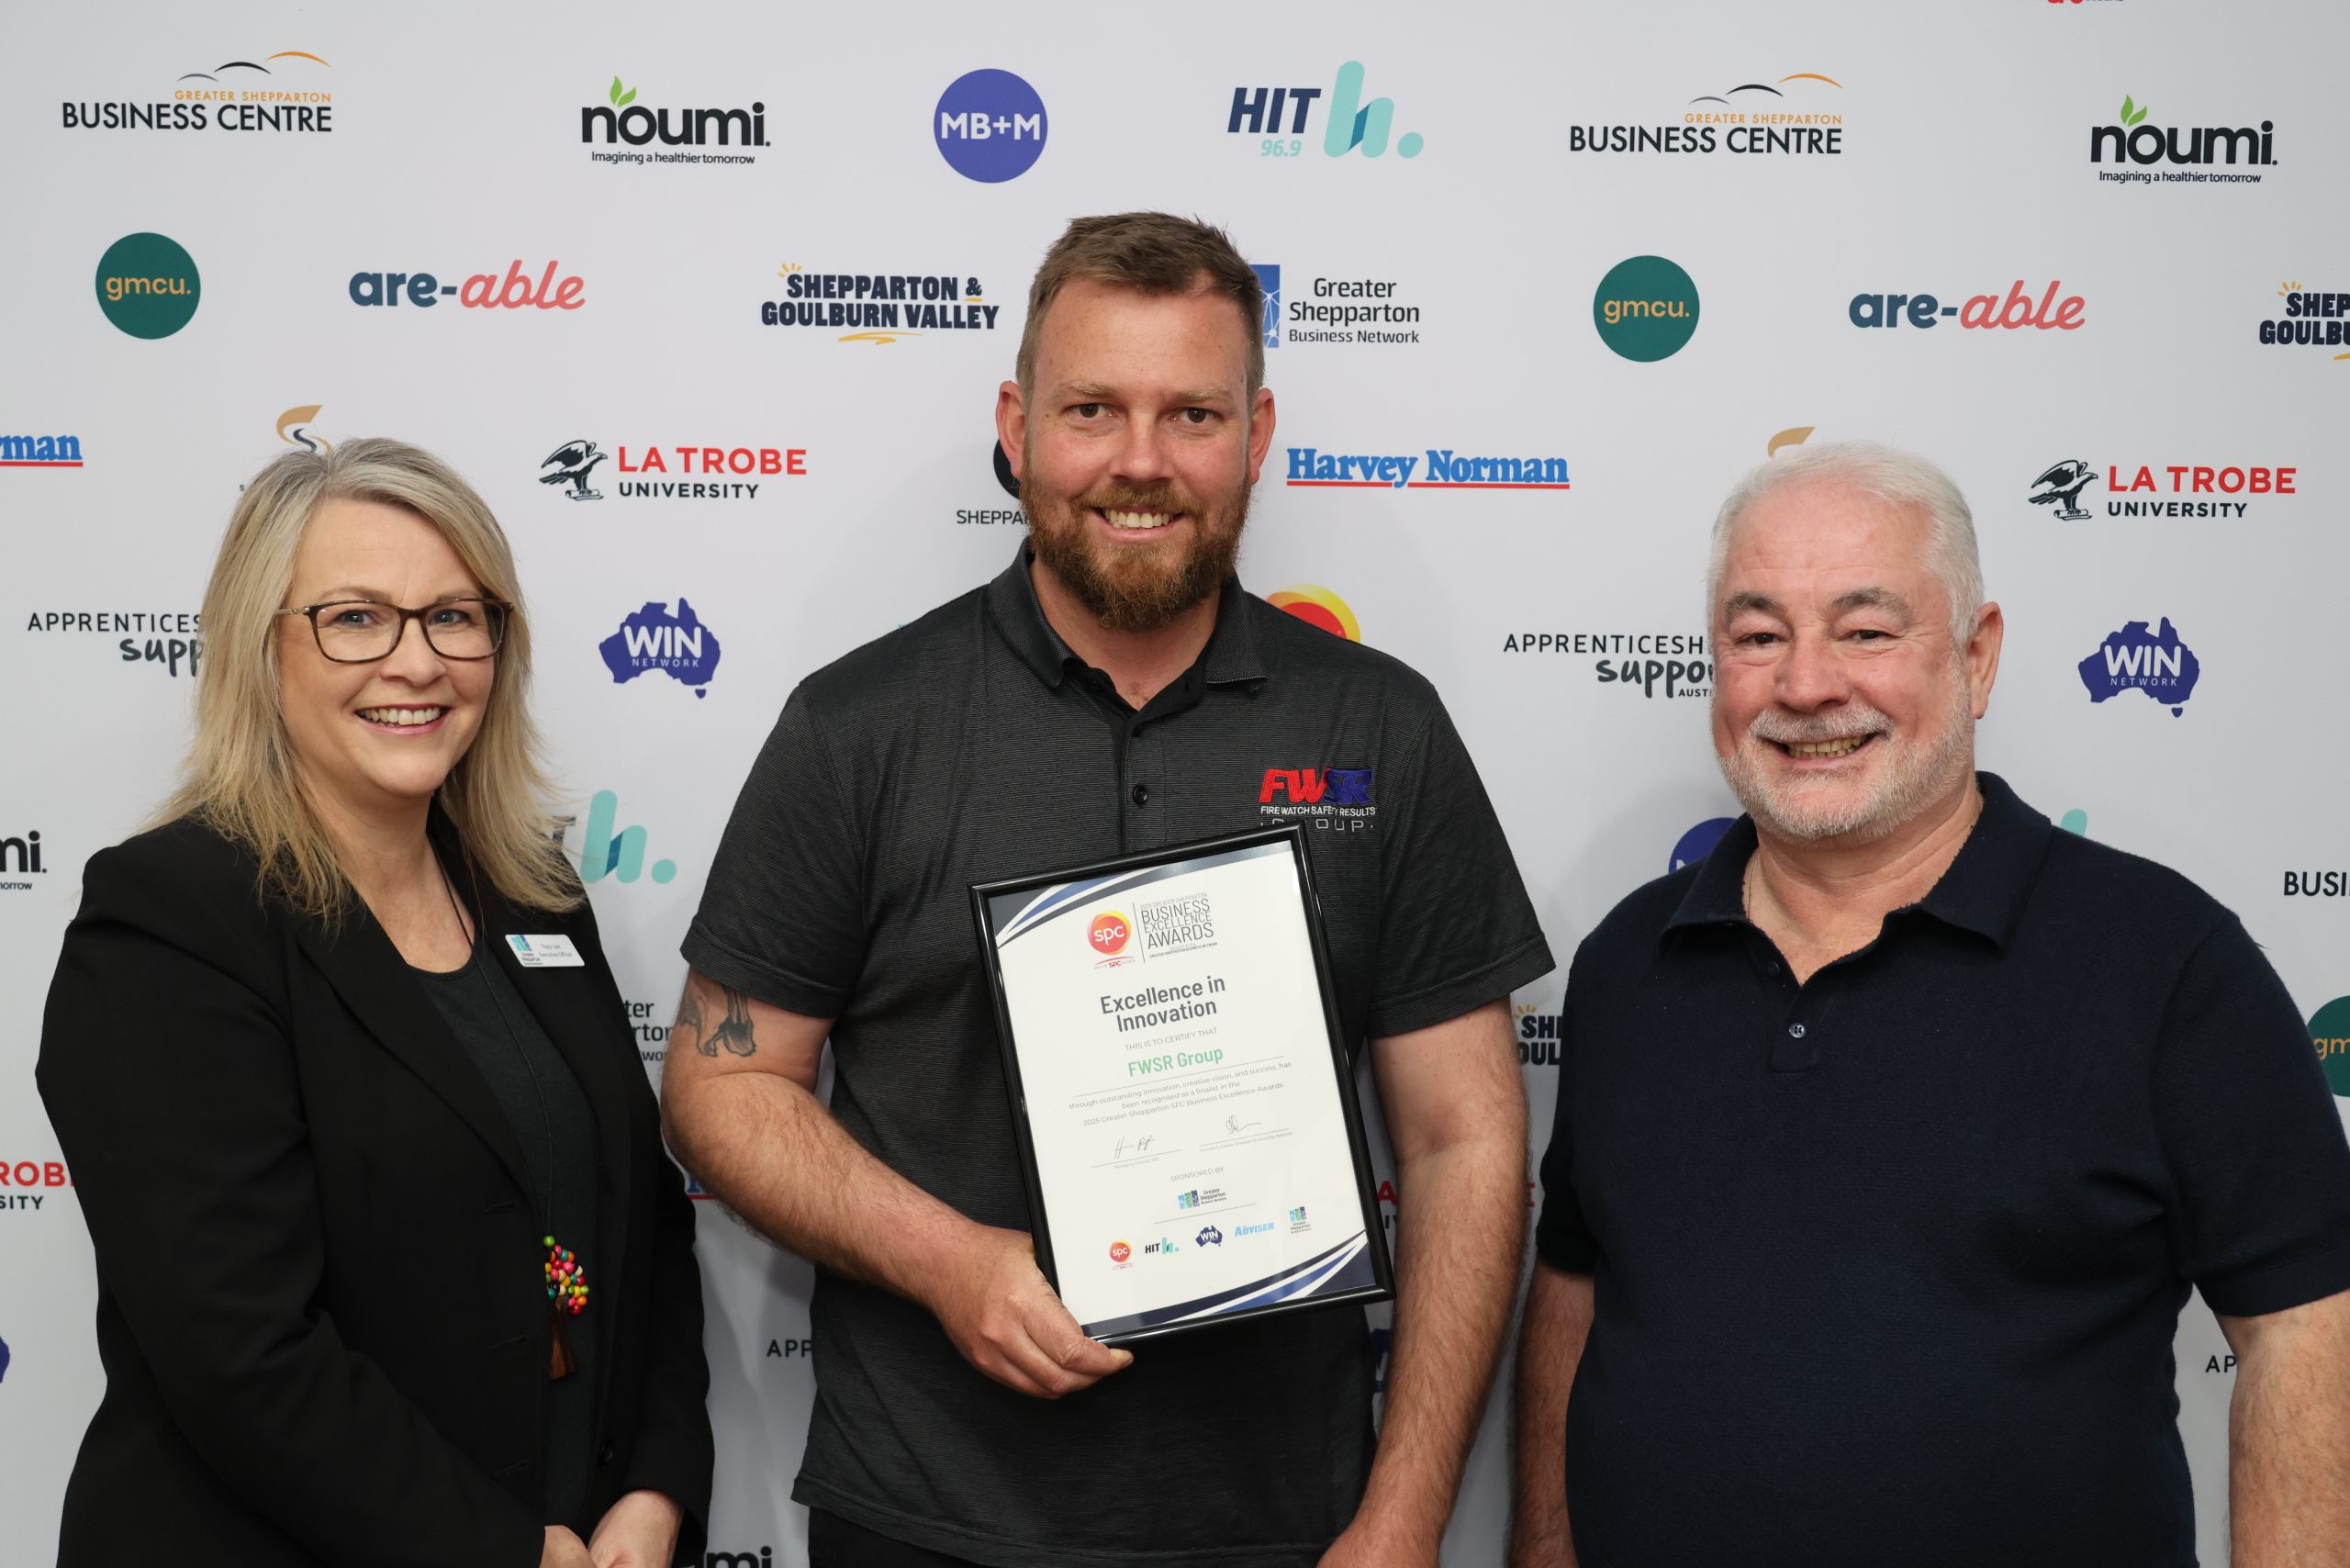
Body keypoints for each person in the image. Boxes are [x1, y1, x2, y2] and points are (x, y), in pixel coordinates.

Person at [660, 211, 1552, 1568]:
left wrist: (1405, 1516)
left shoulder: (1378, 728)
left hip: (1284, 1527)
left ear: (1255, 436)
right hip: (926, 1516)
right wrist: (949, 1261)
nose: (1142, 461)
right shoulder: (861, 726)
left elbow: (1463, 1143)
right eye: (1093, 409)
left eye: (1192, 413)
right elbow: (722, 1083)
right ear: (1017, 427)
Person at [1510, 441, 2350, 1568]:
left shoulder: (2168, 964)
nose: (1805, 685)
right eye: (1758, 637)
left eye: (1864, 631)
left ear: (1976, 654)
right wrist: (1544, 1547)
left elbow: (2305, 1324)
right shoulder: (1627, 960)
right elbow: (1575, 1282)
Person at [37, 439, 713, 1568]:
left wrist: (655, 1484)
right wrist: (509, 1552)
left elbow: (642, 1221)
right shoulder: (171, 922)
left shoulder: (533, 893)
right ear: (261, 648)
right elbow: (241, 1352)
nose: (417, 661)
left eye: (453, 616)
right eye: (355, 618)